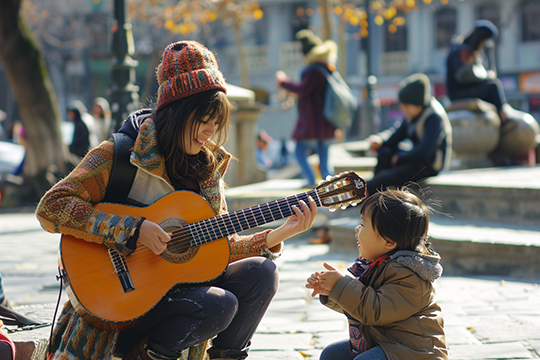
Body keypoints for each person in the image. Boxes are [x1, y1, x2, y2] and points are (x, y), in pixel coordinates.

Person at [36, 40, 318, 360]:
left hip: (177, 297)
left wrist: (276, 235)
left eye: (216, 123)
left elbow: (217, 248)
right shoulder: (119, 155)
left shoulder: (206, 171)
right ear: (177, 113)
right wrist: (131, 229)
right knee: (218, 303)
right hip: (117, 312)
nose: (210, 132)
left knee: (261, 274)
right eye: (203, 121)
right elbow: (52, 206)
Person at [306, 188, 448, 359]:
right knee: (332, 355)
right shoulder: (375, 266)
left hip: (416, 352)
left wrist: (341, 286)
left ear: (388, 241)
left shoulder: (410, 276)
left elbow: (374, 311)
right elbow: (358, 309)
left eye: (364, 224)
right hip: (386, 342)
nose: (357, 229)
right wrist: (332, 291)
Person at [366, 73, 452, 196]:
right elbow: (395, 137)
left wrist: (400, 157)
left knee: (388, 177)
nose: (403, 109)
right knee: (385, 153)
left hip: (429, 164)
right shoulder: (412, 115)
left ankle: (369, 192)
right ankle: (376, 195)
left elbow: (424, 150)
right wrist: (380, 142)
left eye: (406, 105)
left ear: (417, 104)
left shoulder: (434, 117)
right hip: (414, 159)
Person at [275, 29, 338, 188]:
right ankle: (328, 185)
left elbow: (303, 89)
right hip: (327, 120)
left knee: (299, 151)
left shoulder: (313, 70)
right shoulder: (327, 68)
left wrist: (283, 82)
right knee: (324, 156)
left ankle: (311, 181)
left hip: (313, 122)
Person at [446, 19, 508, 123]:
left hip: (464, 89)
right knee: (493, 86)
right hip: (458, 92)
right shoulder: (462, 51)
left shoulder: (469, 51)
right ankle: (503, 116)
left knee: (492, 85)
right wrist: (486, 77)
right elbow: (463, 76)